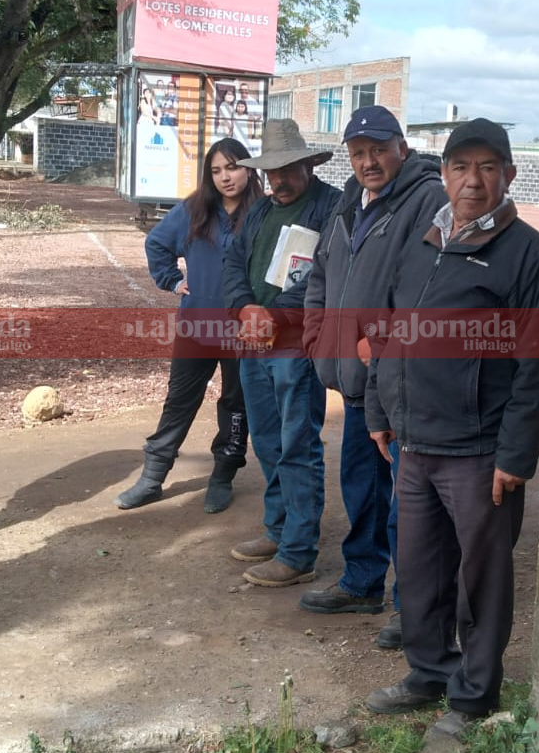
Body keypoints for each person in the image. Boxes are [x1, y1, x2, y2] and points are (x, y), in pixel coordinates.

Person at [362, 118, 539, 739]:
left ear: (508, 175)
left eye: (486, 167)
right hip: (414, 443)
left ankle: (472, 696)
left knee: (482, 579)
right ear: (443, 173)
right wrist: (377, 411)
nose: (472, 181)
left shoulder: (527, 254)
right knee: (419, 569)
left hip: (479, 452)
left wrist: (515, 455)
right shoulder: (425, 240)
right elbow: (388, 330)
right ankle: (429, 672)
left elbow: (536, 363)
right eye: (460, 167)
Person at [302, 105, 445, 651]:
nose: (369, 161)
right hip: (356, 383)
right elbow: (320, 273)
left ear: (401, 148)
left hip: (399, 382)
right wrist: (318, 336)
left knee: (409, 501)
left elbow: (422, 288)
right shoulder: (347, 202)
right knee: (362, 489)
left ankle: (415, 609)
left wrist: (380, 348)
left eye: (379, 149)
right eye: (359, 153)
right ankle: (362, 583)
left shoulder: (426, 199)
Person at [222, 119, 341, 587]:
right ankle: (278, 529)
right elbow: (234, 261)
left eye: (288, 169)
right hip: (254, 345)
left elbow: (325, 276)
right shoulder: (259, 210)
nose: (279, 181)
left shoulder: (332, 208)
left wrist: (277, 315)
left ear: (309, 164)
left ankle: (298, 552)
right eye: (271, 172)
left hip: (296, 348)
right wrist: (246, 306)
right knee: (268, 442)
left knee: (298, 445)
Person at [116, 137, 264, 513]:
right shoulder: (194, 210)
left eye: (232, 167)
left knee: (236, 405)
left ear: (249, 167)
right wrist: (172, 279)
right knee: (179, 402)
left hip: (243, 333)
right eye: (216, 171)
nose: (225, 177)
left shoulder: (263, 212)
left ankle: (222, 475)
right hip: (197, 327)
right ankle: (152, 478)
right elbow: (157, 243)